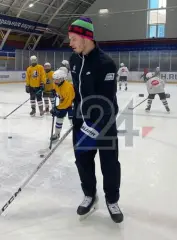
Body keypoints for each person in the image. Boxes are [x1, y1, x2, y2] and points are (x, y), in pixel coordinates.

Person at [68, 16, 123, 223]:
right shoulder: (74, 60)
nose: (70, 43)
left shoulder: (105, 64)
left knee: (109, 163)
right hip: (81, 122)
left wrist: (94, 125)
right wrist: (75, 115)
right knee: (82, 161)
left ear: (85, 37)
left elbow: (106, 101)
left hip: (104, 123)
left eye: (73, 38)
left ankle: (112, 199)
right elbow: (77, 94)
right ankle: (90, 194)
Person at [49, 69, 74, 141]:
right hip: (62, 103)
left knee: (72, 120)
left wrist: (56, 108)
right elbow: (55, 88)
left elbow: (67, 103)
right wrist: (53, 91)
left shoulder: (68, 87)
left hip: (71, 104)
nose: (55, 81)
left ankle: (78, 135)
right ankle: (57, 134)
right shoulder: (56, 83)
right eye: (54, 79)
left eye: (57, 79)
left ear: (62, 79)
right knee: (59, 118)